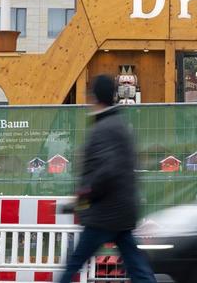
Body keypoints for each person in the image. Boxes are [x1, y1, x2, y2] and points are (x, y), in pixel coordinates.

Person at [57, 75, 155, 283]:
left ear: (95, 97)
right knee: (138, 269)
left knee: (74, 263)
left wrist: (83, 196)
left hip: (103, 215)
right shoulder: (120, 125)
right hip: (122, 212)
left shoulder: (102, 129)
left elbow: (106, 172)